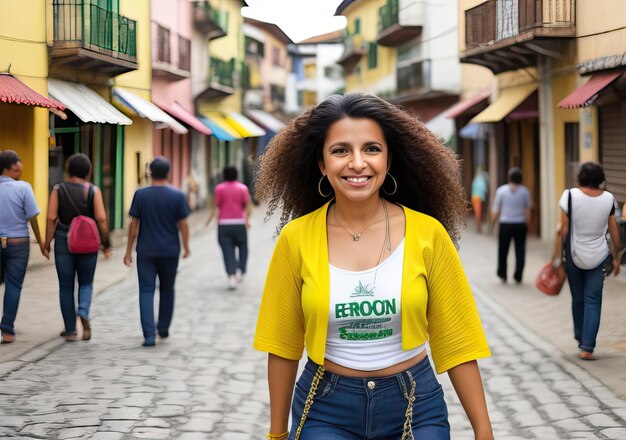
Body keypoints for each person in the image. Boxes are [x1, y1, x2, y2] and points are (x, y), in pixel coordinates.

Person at [253, 93, 493, 440]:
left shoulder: (428, 234)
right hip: (325, 408)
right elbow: (282, 345)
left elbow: (457, 341)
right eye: (340, 151)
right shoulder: (296, 239)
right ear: (321, 163)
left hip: (415, 405)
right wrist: (277, 435)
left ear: (388, 158)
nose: (357, 163)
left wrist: (483, 432)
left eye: (371, 149)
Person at [553, 162, 621, 361]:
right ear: (600, 179)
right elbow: (614, 232)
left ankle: (581, 335)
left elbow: (562, 230)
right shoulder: (608, 199)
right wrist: (616, 258)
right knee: (593, 300)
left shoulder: (570, 196)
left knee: (578, 299)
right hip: (600, 257)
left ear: (580, 177)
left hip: (573, 255)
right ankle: (587, 347)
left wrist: (557, 257)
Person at [123, 157, 190, 347]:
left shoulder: (141, 195)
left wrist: (128, 251)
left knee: (146, 290)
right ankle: (163, 328)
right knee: (168, 289)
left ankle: (149, 336)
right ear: (168, 172)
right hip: (170, 251)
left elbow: (133, 225)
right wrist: (186, 247)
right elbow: (183, 225)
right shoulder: (177, 196)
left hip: (145, 252)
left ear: (150, 173)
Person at [45, 153, 111, 342]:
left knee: (66, 287)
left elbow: (51, 218)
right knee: (86, 282)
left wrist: (47, 242)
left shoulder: (58, 189)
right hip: (88, 242)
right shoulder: (93, 191)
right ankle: (82, 309)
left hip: (64, 241)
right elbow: (101, 218)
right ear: (89, 171)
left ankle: (71, 330)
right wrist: (105, 242)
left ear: (67, 169)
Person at [0, 150, 47, 343]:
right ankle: (7, 330)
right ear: (11, 167)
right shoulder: (23, 188)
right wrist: (41, 241)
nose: (20, 167)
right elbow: (32, 218)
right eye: (17, 163)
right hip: (18, 243)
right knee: (13, 285)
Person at [205, 166, 252, 290]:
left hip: (224, 224)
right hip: (239, 223)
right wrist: (247, 220)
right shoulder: (243, 188)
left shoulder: (219, 188)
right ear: (237, 175)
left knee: (227, 250)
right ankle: (240, 271)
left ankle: (231, 276)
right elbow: (248, 206)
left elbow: (215, 206)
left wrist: (209, 221)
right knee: (243, 247)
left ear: (224, 176)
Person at [491, 167, 531, 284]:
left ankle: (502, 274)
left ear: (509, 178)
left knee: (503, 250)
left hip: (505, 224)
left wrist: (492, 223)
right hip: (520, 224)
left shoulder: (501, 191)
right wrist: (526, 224)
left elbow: (496, 210)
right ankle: (518, 275)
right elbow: (528, 210)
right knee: (520, 250)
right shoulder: (525, 191)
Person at [471, 166, 489, 232]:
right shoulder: (481, 179)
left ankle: (478, 227)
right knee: (479, 213)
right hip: (478, 198)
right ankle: (479, 227)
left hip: (475, 197)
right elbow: (484, 189)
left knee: (478, 213)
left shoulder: (476, 179)